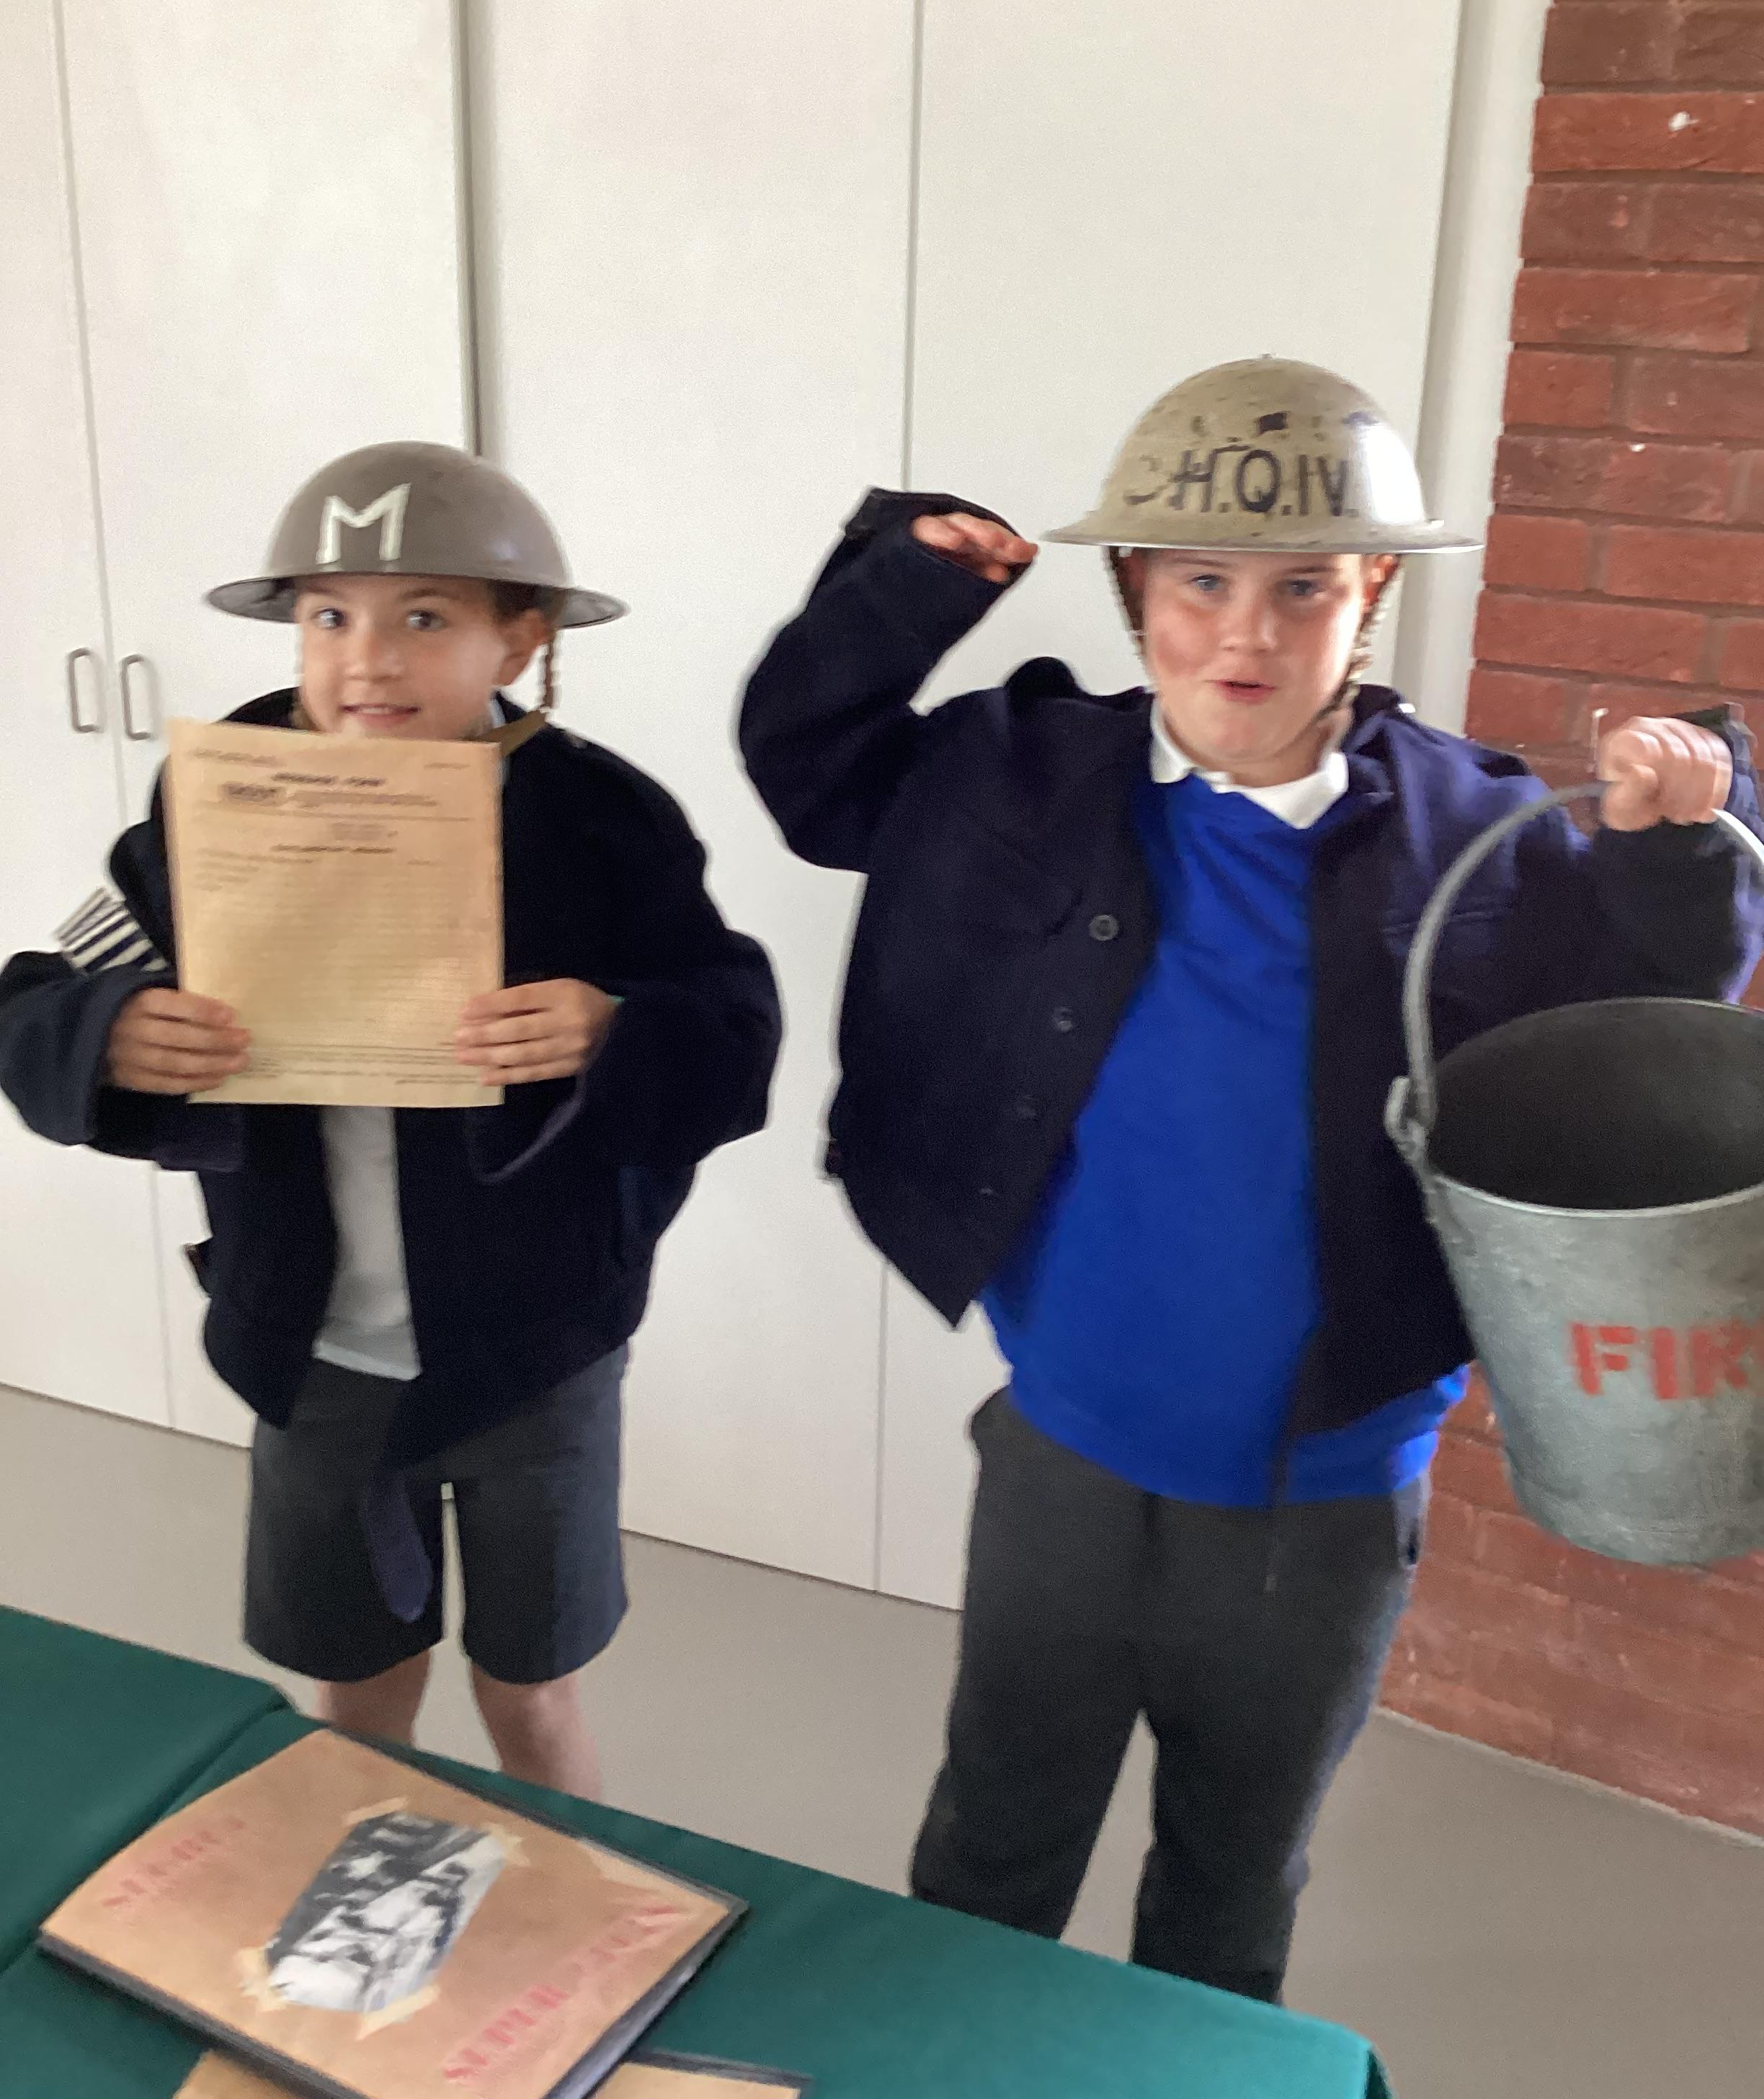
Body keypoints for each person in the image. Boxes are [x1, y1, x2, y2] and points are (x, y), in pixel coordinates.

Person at [739, 357, 1764, 2002]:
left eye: (1305, 589)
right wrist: (906, 589)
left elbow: (1641, 1021)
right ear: (1136, 591)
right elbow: (811, 770)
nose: (1247, 634)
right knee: (993, 1843)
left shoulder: (1474, 830)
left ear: (1372, 601)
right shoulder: (1020, 773)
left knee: (1230, 1879)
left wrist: (1684, 845)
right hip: (1066, 1451)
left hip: (1327, 1488)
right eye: (1201, 582)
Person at [0, 442, 780, 1797]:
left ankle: (566, 1901)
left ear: (520, 641)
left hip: (540, 1341)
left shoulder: (602, 818)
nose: (368, 660)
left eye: (425, 617)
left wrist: (615, 1028)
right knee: (355, 1688)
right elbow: (47, 990)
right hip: (313, 1341)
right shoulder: (217, 802)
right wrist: (105, 1032)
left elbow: (732, 1021)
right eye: (328, 616)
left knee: (533, 1690)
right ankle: (358, 1907)